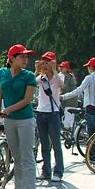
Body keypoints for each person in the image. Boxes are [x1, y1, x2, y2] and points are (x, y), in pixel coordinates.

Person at [0, 44, 37, 189]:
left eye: (26, 57)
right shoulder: (2, 73)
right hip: (9, 120)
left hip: (25, 119)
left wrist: (7, 110)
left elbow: (27, 100)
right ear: (12, 58)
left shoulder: (29, 76)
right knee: (17, 157)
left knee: (27, 157)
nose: (25, 59)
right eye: (22, 56)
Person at [60, 57, 95, 142]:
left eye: (88, 66)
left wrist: (63, 96)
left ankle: (93, 150)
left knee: (92, 135)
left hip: (91, 108)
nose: (87, 68)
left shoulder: (89, 78)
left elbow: (78, 90)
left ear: (91, 67)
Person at [34, 52, 64, 182]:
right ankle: (46, 171)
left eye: (48, 63)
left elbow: (62, 85)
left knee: (56, 144)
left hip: (53, 114)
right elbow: (30, 83)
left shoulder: (58, 77)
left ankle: (58, 171)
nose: (46, 65)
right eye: (44, 63)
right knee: (44, 145)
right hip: (41, 113)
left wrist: (55, 70)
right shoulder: (41, 78)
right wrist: (36, 70)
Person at [58, 61, 77, 129]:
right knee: (68, 119)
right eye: (60, 67)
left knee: (67, 121)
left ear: (66, 69)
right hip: (70, 101)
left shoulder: (66, 77)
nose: (60, 68)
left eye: (62, 67)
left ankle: (68, 133)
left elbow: (64, 89)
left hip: (69, 101)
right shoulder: (68, 76)